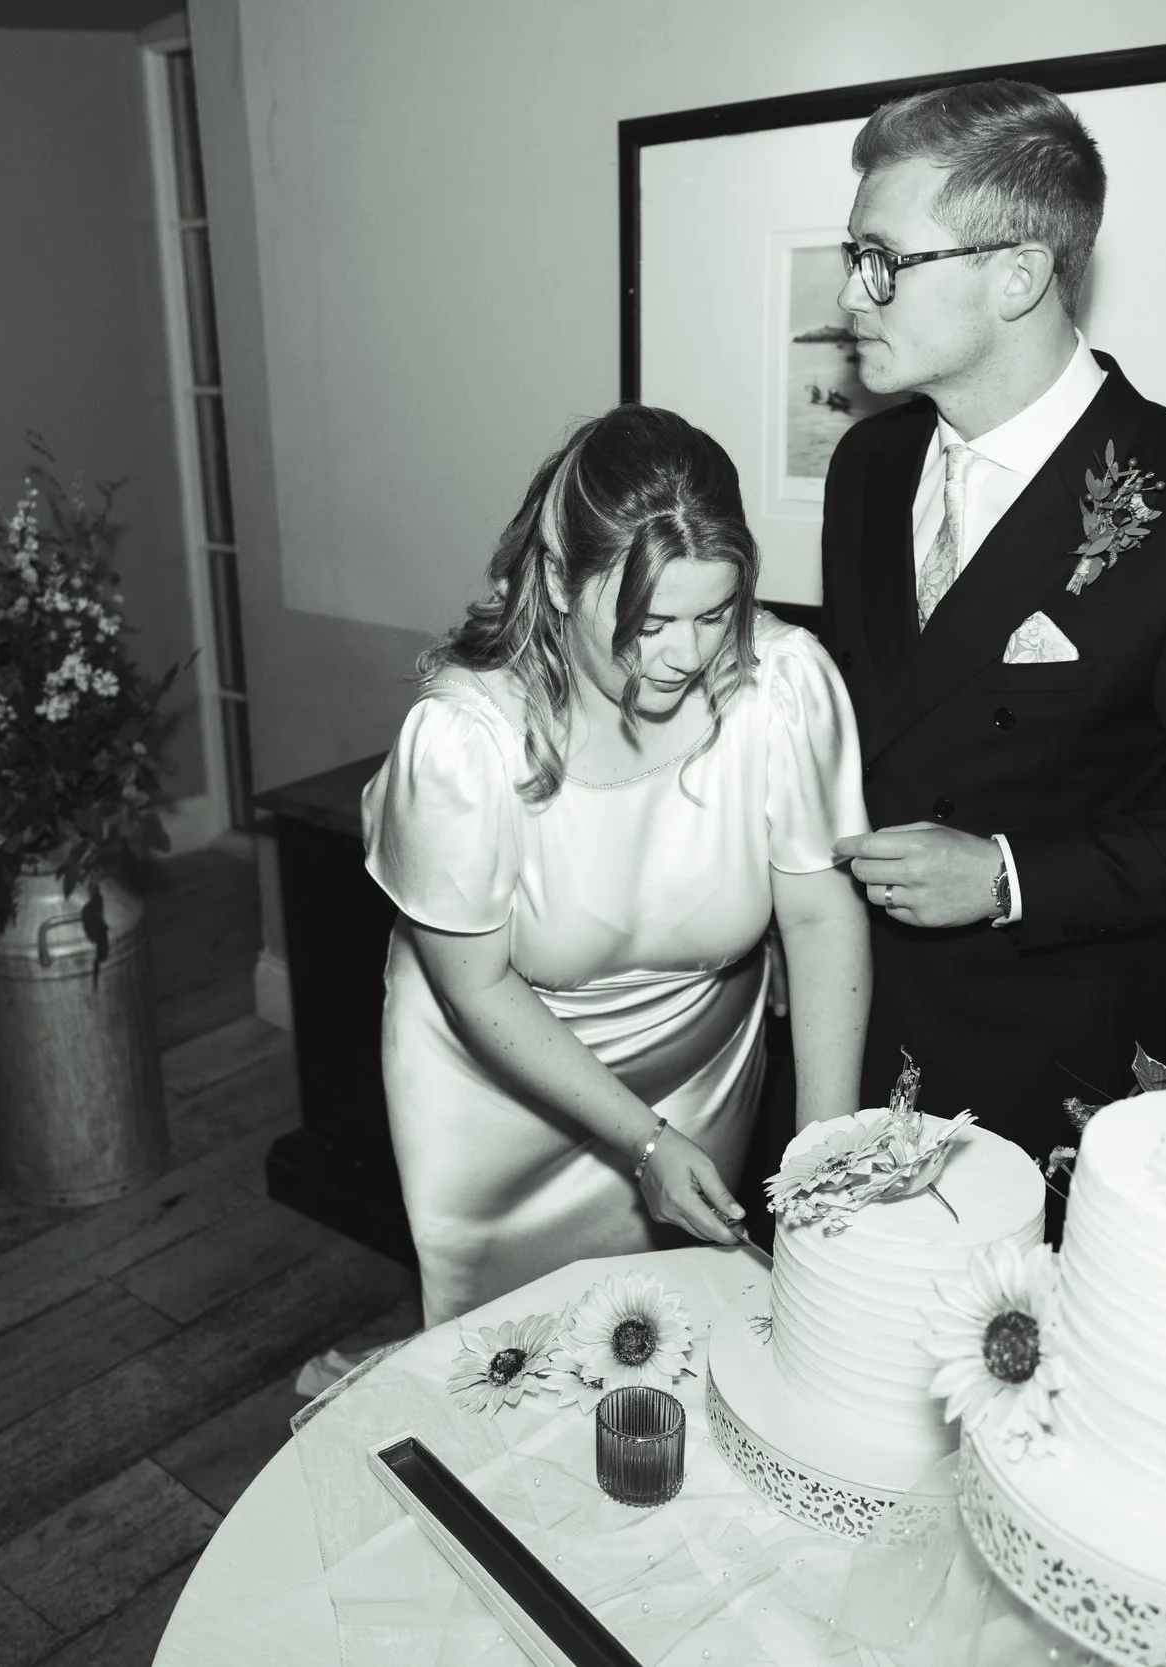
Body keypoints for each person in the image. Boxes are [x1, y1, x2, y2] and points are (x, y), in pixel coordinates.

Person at [816, 82, 1166, 1162]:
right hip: (840, 1010)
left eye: (881, 258)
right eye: (849, 252)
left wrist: (1010, 874)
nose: (850, 293)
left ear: (1017, 274)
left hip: (1041, 1045)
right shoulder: (868, 465)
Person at [363, 405, 871, 1325]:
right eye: (648, 621)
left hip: (703, 1062)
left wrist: (818, 1159)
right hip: (500, 1081)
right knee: (510, 1351)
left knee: (682, 1333)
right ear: (559, 579)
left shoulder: (784, 685)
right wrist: (643, 1145)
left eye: (714, 613)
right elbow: (477, 988)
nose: (685, 654)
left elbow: (820, 915)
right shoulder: (463, 739)